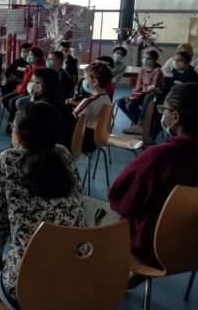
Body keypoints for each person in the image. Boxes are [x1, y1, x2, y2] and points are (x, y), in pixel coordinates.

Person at [0, 102, 85, 308]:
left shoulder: (8, 160)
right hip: (75, 277)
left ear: (19, 135)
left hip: (27, 287)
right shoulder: (64, 154)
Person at [108, 83, 198, 268]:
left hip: (149, 248)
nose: (162, 114)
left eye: (164, 109)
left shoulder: (161, 156)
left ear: (175, 117)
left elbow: (120, 200)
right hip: (191, 248)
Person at [117, 49, 164, 135]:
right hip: (142, 94)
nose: (145, 60)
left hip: (152, 96)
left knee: (130, 105)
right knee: (120, 101)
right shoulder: (142, 70)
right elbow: (138, 86)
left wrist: (141, 91)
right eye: (144, 58)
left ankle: (141, 124)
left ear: (155, 60)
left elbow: (152, 87)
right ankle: (135, 121)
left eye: (148, 58)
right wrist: (131, 95)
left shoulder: (157, 71)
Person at [69, 61, 113, 153]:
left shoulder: (88, 101)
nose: (83, 82)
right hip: (95, 140)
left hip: (82, 140)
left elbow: (72, 118)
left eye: (85, 79)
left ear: (94, 82)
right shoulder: (107, 100)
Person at [30, 68, 76, 151]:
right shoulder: (57, 102)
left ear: (39, 87)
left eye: (32, 81)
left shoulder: (40, 107)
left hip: (48, 152)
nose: (30, 84)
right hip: (64, 150)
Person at [2, 47, 45, 131]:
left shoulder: (40, 68)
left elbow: (34, 84)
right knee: (5, 99)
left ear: (38, 57)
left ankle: (16, 122)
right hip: (24, 89)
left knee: (15, 102)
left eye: (31, 55)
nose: (28, 56)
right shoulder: (29, 66)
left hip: (31, 92)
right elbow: (25, 82)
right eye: (28, 54)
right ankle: (14, 118)